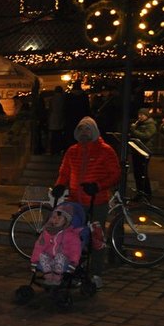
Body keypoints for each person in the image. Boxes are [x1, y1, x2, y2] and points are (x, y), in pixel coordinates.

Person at [52, 117, 120, 289]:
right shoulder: (72, 151)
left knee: (97, 237)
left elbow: (115, 174)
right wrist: (60, 185)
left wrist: (97, 186)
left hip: (96, 202)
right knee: (74, 238)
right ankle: (76, 270)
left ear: (94, 131)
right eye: (81, 129)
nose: (84, 133)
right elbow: (64, 172)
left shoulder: (105, 151)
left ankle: (96, 273)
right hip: (75, 202)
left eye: (87, 129)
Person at [30, 203, 82, 286]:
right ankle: (48, 276)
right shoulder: (47, 232)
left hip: (64, 260)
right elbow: (39, 247)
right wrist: (34, 261)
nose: (56, 220)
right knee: (42, 255)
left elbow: (75, 250)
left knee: (59, 256)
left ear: (66, 220)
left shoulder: (71, 235)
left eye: (59, 218)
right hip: (50, 260)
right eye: (54, 218)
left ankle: (57, 278)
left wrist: (73, 262)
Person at [129, 108, 157, 200]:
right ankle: (139, 192)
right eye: (139, 115)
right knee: (137, 173)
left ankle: (146, 193)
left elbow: (146, 136)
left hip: (145, 151)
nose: (140, 117)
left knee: (142, 173)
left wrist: (134, 131)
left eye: (142, 115)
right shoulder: (139, 124)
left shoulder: (151, 125)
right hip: (137, 150)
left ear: (146, 115)